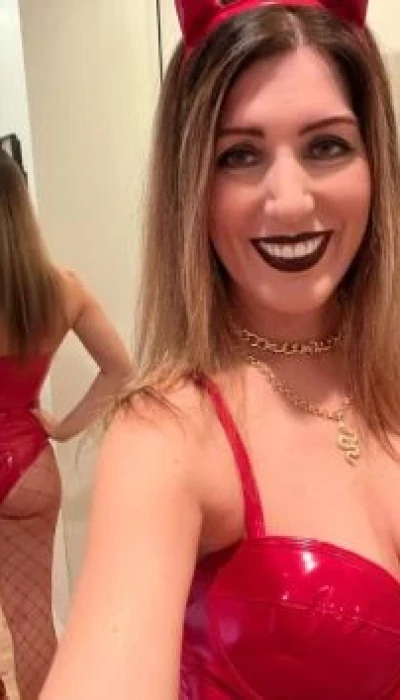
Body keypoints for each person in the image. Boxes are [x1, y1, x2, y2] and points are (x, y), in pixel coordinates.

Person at [40, 0, 400, 698]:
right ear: (193, 189)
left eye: (327, 146)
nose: (290, 201)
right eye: (240, 156)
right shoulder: (170, 434)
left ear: (374, 162)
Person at [0, 149, 132, 700]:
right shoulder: (62, 290)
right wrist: (62, 428)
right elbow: (119, 368)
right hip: (28, 466)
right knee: (31, 619)